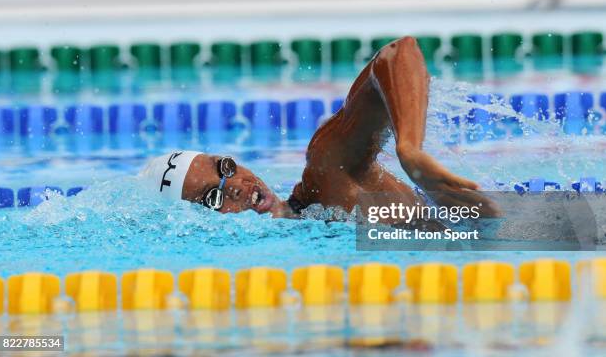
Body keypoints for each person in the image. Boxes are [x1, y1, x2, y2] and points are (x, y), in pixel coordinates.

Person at [140, 37, 499, 223]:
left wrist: (410, 150)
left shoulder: (327, 173)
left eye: (226, 167)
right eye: (211, 198)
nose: (236, 186)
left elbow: (397, 54)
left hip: (515, 227)